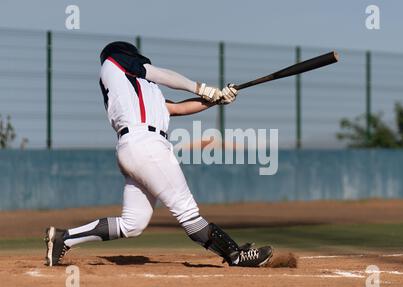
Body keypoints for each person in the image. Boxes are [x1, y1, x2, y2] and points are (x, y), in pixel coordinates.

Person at [44, 41, 273, 268]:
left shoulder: (138, 89)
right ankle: (235, 255)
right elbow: (159, 73)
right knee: (187, 211)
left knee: (132, 224)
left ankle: (64, 238)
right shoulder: (114, 63)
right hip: (146, 146)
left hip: (135, 148)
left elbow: (179, 108)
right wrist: (201, 88)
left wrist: (217, 99)